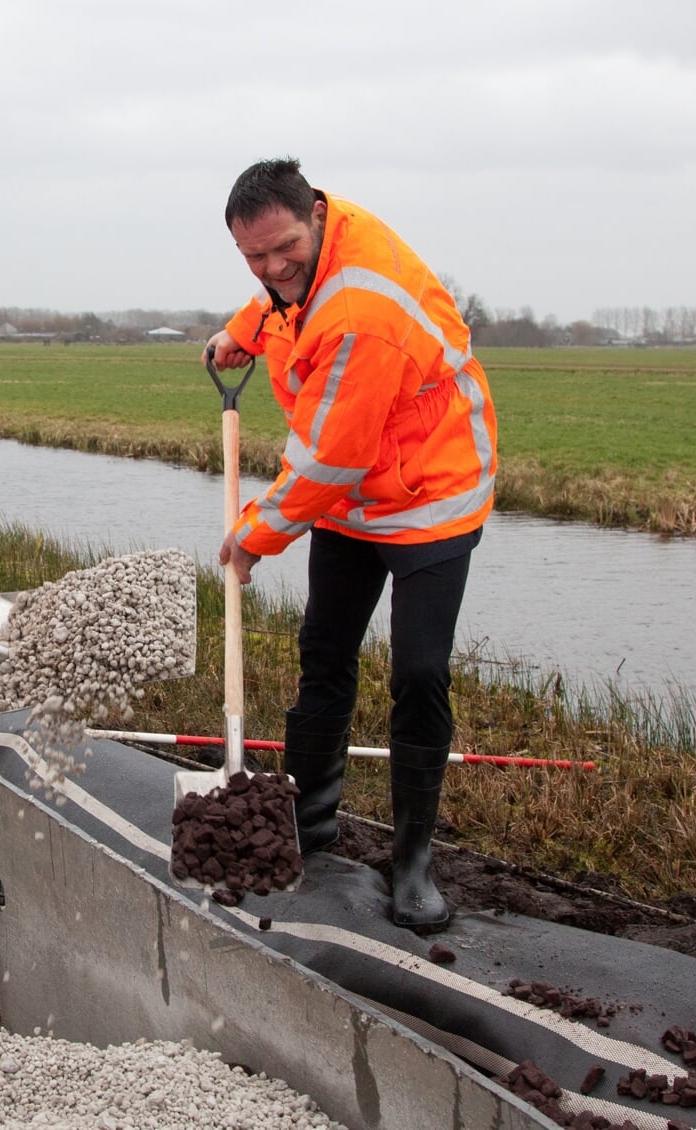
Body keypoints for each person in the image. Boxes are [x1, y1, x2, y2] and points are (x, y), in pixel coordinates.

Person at [205, 158, 498, 933]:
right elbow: (287, 299)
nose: (272, 268)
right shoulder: (309, 253)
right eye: (253, 259)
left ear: (315, 218)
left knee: (420, 674)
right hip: (352, 498)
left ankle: (412, 867)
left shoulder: (362, 307)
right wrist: (243, 327)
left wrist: (253, 538)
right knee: (323, 652)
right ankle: (306, 832)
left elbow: (331, 455)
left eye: (283, 250)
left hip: (431, 491)